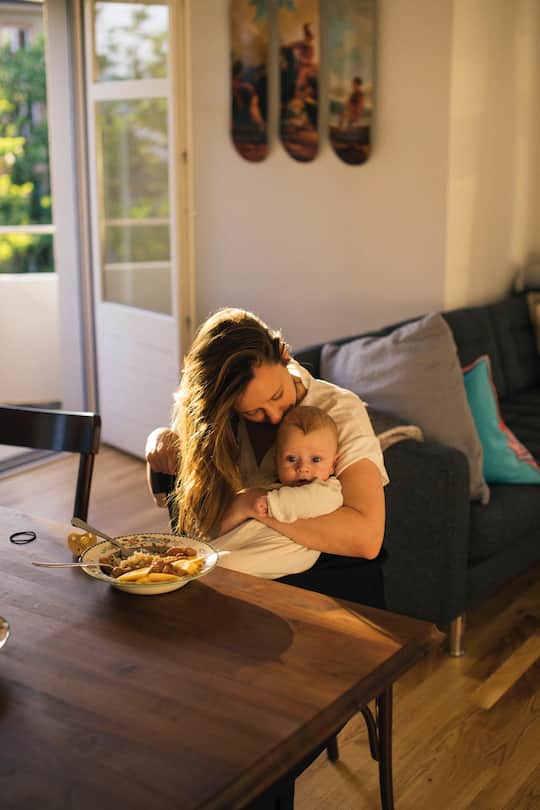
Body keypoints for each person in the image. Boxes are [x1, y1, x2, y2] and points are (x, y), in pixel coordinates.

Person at [145, 307, 388, 608]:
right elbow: (177, 503)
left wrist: (257, 506)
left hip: (325, 588)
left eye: (276, 396)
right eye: (253, 411)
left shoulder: (339, 411)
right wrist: (160, 440)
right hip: (237, 590)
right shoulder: (223, 423)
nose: (273, 417)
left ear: (284, 354)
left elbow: (367, 539)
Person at [213, 405, 344, 579]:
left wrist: (271, 504)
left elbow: (306, 501)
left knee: (224, 566)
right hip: (252, 539)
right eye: (291, 459)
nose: (303, 468)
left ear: (333, 464)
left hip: (285, 551)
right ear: (276, 461)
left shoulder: (329, 490)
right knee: (208, 556)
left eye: (316, 459)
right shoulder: (272, 486)